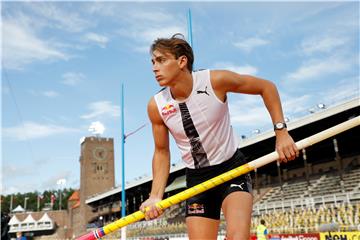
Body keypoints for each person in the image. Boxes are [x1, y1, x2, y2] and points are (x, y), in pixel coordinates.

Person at [140, 33, 298, 240]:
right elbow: (161, 152)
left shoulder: (215, 80)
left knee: (237, 237)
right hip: (197, 178)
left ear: (181, 61)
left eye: (161, 60)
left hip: (231, 168)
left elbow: (266, 87)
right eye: (153, 62)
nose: (154, 67)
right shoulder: (156, 106)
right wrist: (155, 196)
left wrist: (281, 132)